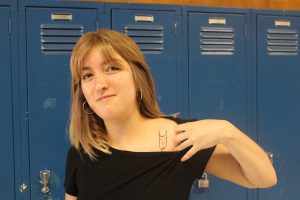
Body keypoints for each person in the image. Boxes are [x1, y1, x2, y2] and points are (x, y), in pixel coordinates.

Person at [64, 29, 277, 200]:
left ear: (138, 78)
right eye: (88, 75)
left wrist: (227, 131)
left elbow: (264, 178)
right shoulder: (83, 150)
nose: (100, 84)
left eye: (111, 68)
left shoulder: (181, 138)